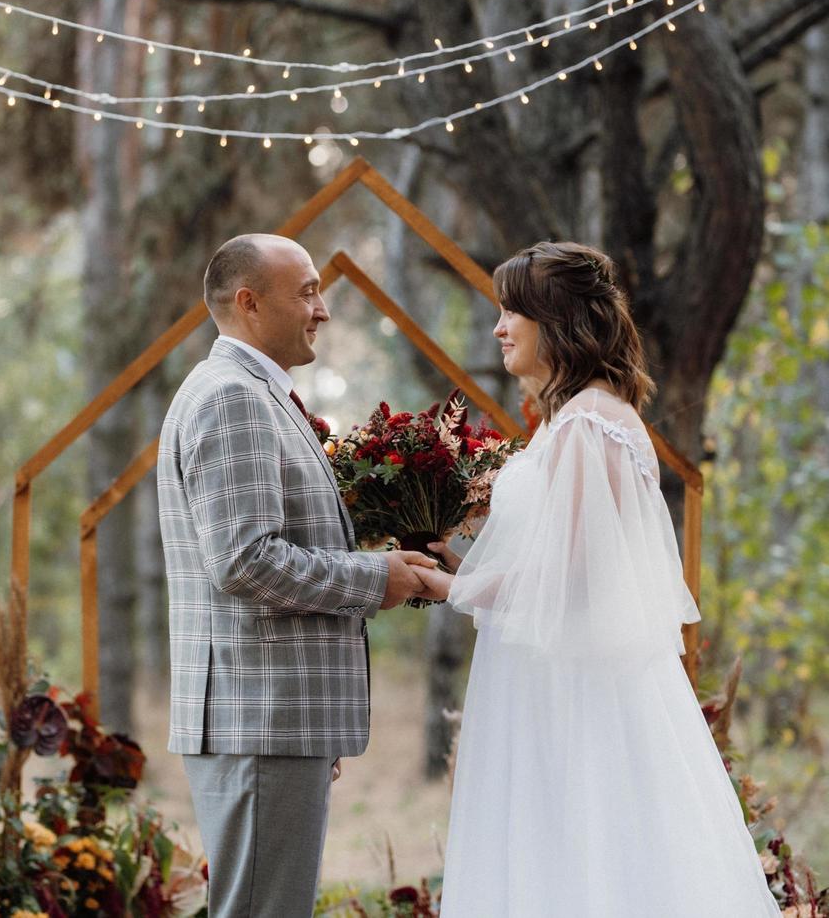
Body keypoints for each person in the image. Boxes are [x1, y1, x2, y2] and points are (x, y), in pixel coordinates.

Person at [415, 242, 777, 916]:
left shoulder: (587, 424)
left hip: (573, 692)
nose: (499, 327)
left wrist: (446, 589)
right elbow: (553, 567)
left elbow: (566, 577)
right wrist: (461, 570)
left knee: (581, 860)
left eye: (512, 311)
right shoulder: (580, 419)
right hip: (557, 676)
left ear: (556, 321)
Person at [157, 234, 445, 918]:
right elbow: (244, 559)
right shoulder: (233, 399)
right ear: (249, 303)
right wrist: (375, 580)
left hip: (277, 720)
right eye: (308, 291)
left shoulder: (257, 394)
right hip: (258, 717)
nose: (323, 310)